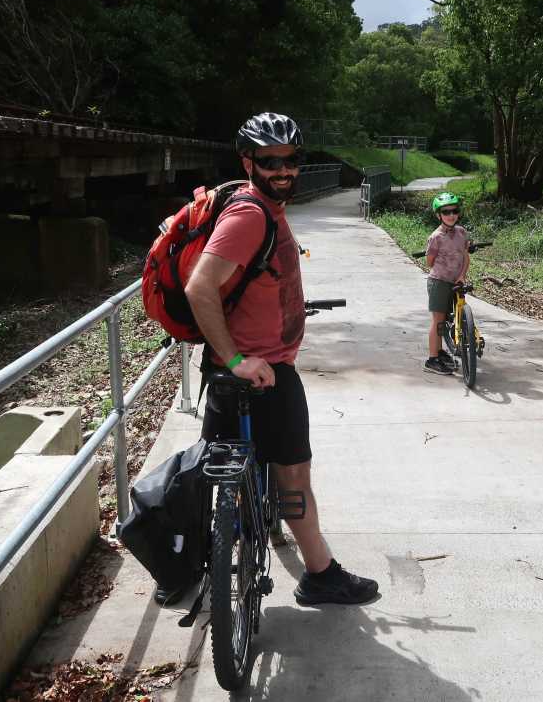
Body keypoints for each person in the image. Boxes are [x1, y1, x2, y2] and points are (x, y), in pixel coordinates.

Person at [182, 112, 379, 606]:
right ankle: (320, 574)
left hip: (239, 367)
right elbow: (199, 287)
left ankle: (237, 539)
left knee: (229, 469)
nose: (284, 170)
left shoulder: (264, 208)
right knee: (294, 476)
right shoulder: (250, 215)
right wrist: (236, 359)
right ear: (248, 161)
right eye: (270, 162)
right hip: (262, 371)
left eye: (292, 160)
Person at [423, 192, 470, 375]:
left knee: (452, 317)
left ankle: (441, 351)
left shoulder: (462, 232)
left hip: (456, 281)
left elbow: (465, 257)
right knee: (438, 320)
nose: (451, 215)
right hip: (439, 282)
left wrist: (462, 275)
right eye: (446, 212)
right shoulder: (436, 237)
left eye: (454, 211)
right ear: (438, 215)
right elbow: (429, 262)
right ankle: (432, 359)